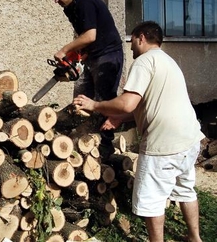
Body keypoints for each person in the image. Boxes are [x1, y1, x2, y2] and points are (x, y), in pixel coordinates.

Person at [73, 21, 204, 242]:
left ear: (141, 37)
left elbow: (127, 103)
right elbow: (149, 104)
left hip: (163, 145)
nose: (130, 46)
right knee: (186, 190)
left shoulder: (144, 61)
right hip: (189, 139)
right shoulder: (168, 61)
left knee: (151, 202)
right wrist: (118, 118)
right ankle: (195, 238)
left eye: (131, 40)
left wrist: (94, 105)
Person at [48, 0, 124, 157]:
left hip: (108, 55)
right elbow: (86, 37)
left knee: (103, 100)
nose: (56, 1)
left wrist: (65, 50)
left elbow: (91, 35)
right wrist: (80, 55)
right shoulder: (69, 7)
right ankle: (80, 143)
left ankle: (105, 148)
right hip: (94, 54)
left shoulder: (85, 2)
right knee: (82, 98)